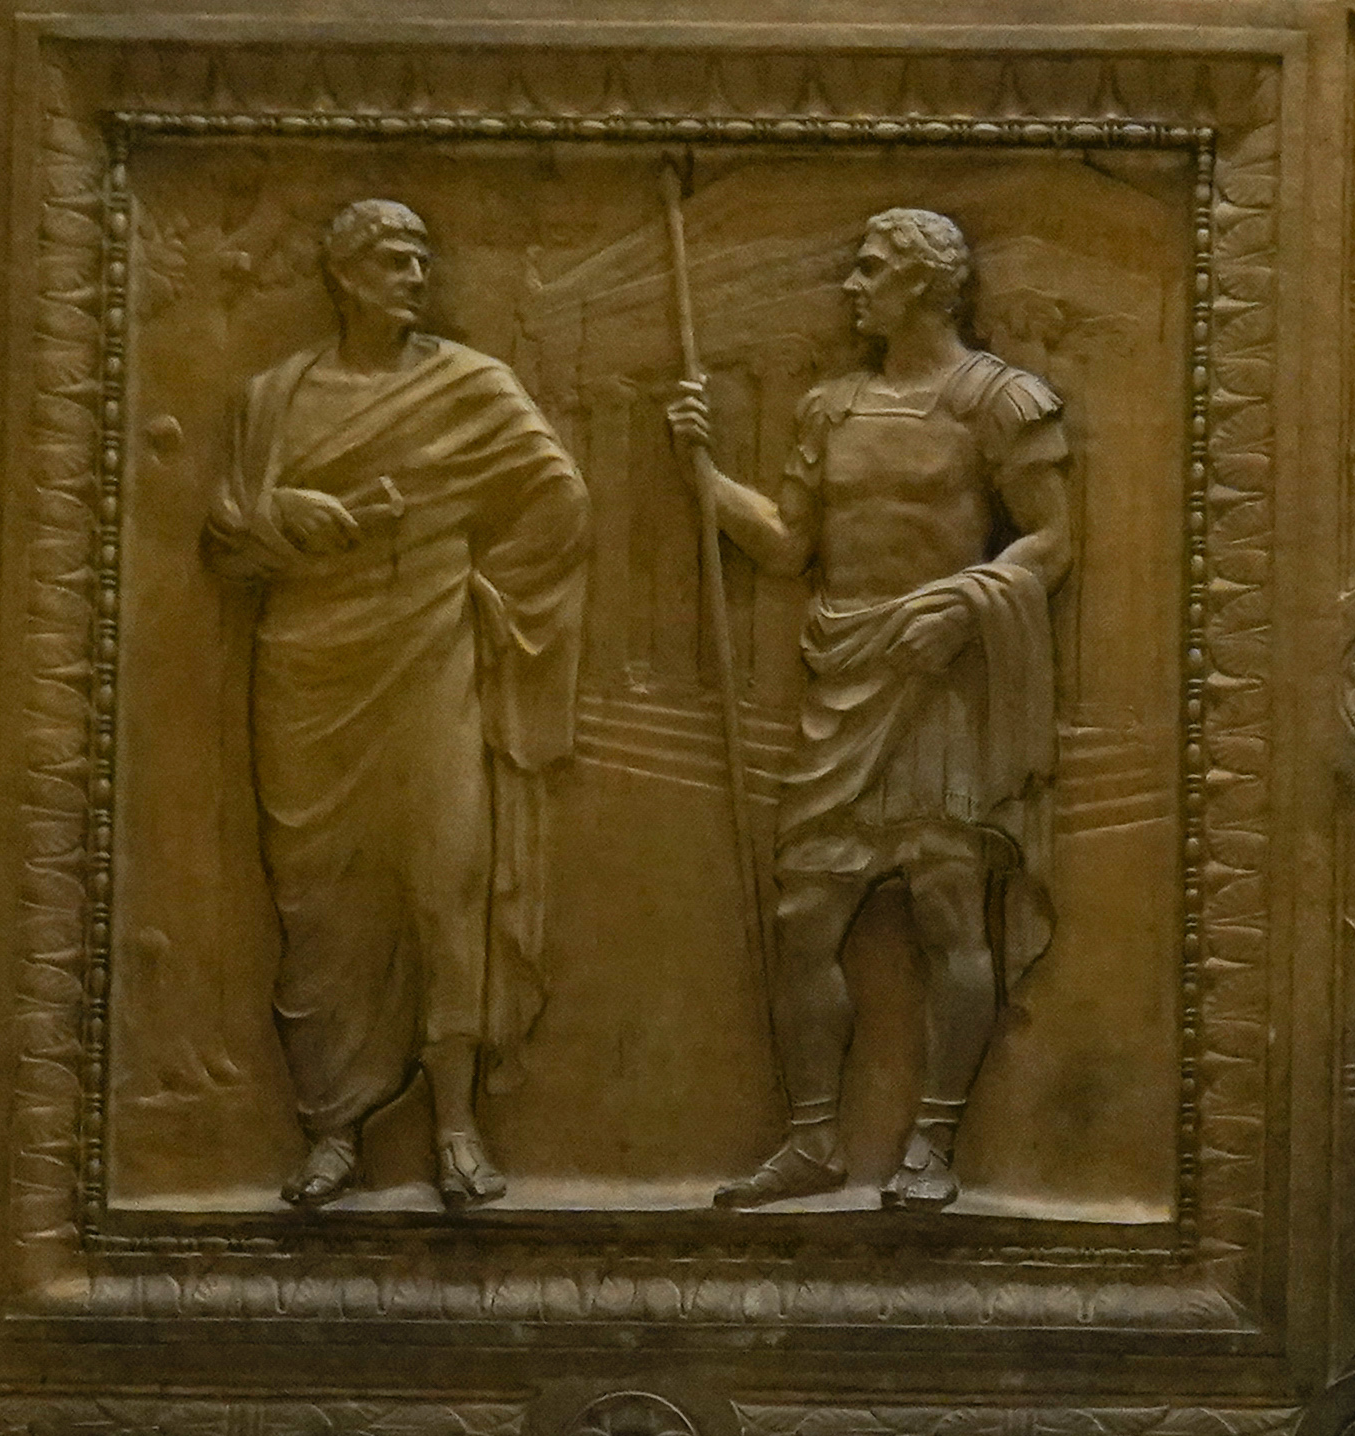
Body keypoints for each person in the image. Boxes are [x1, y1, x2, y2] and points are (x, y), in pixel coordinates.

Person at [667, 207, 1077, 1215]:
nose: (851, 287)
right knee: (804, 914)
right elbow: (783, 545)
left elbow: (1053, 542)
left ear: (926, 286)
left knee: (945, 907)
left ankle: (933, 1139)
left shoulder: (1001, 402)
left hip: (936, 681)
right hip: (843, 675)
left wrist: (961, 602)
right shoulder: (828, 409)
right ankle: (811, 1138)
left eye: (869, 271)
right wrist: (706, 476)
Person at [201, 199, 588, 1213]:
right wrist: (293, 523)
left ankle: (456, 1123)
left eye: (422, 256)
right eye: (390, 258)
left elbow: (559, 499)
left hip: (429, 659)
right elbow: (227, 542)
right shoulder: (273, 400)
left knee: (441, 877)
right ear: (342, 274)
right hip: (307, 666)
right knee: (316, 896)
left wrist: (485, 591)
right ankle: (331, 1126)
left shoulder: (472, 387)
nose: (413, 274)